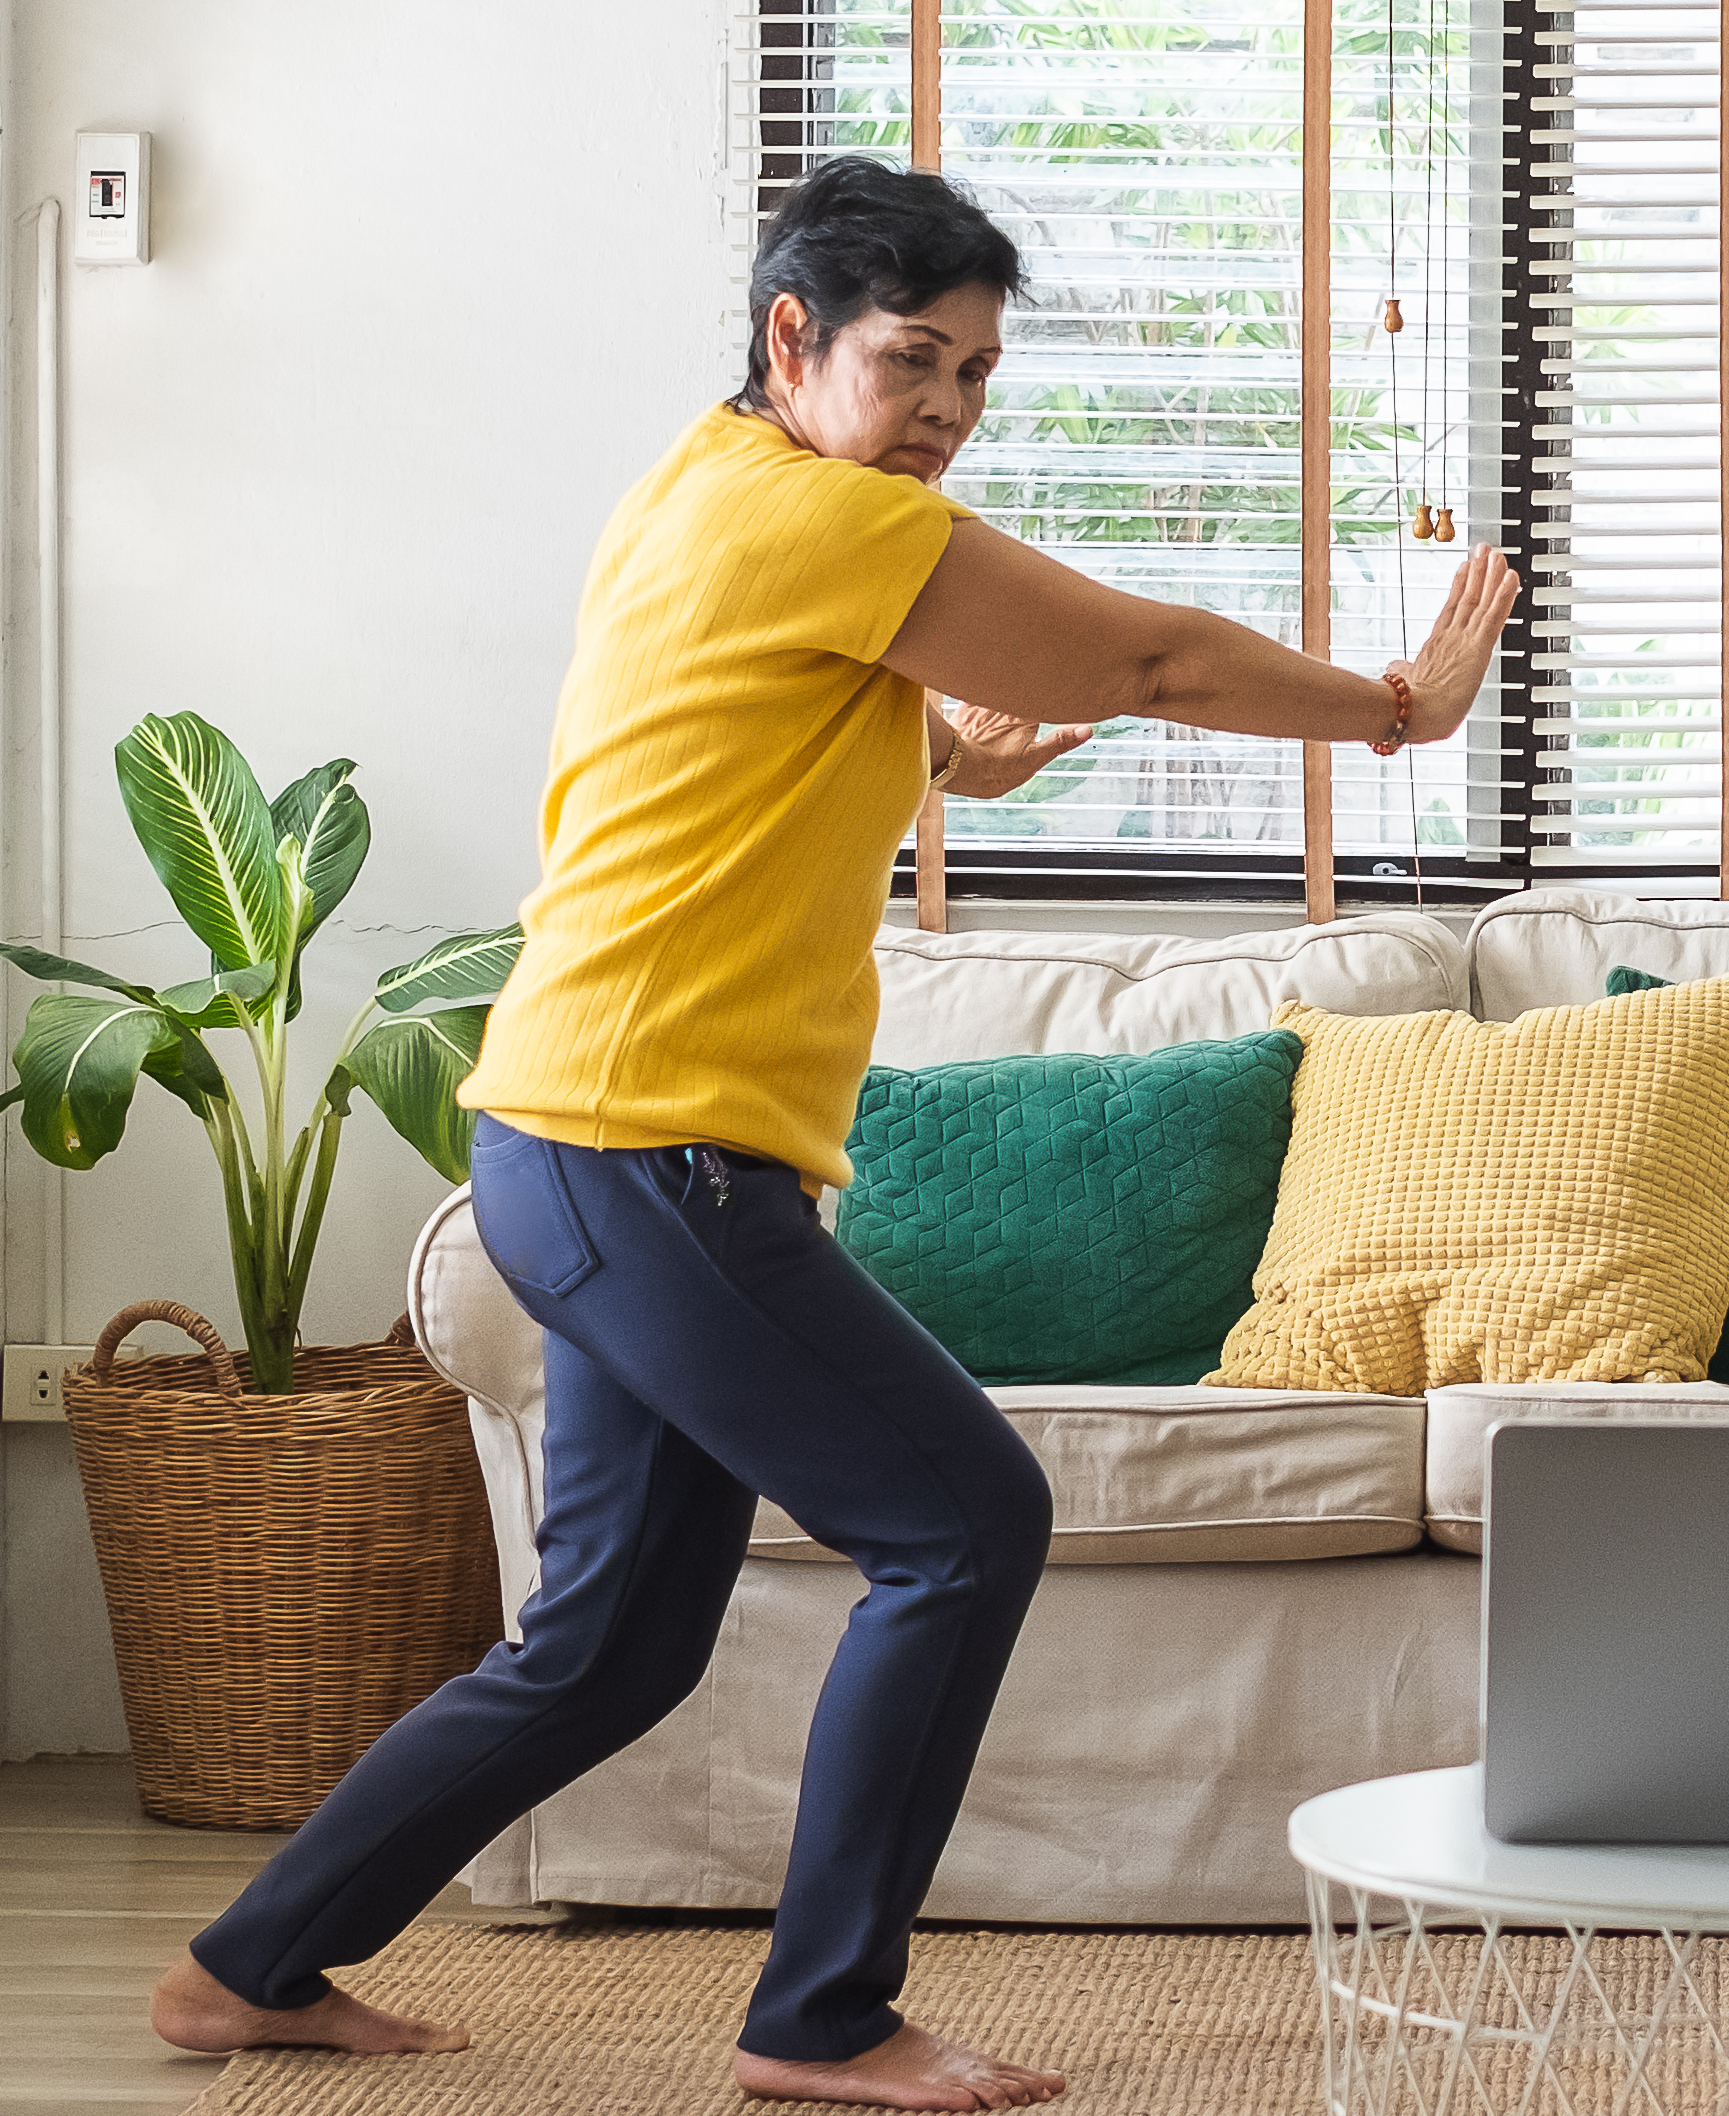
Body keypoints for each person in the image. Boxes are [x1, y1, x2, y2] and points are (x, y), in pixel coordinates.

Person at [148, 157, 1517, 2112]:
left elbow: (734, 714)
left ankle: (245, 1964)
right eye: (912, 359)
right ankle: (823, 2020)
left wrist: (951, 754)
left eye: (977, 371)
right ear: (791, 337)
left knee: (611, 1641)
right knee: (963, 1524)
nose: (949, 407)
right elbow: (1143, 656)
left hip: (584, 1142)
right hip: (647, 1154)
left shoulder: (709, 487)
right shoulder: (815, 515)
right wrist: (1396, 709)